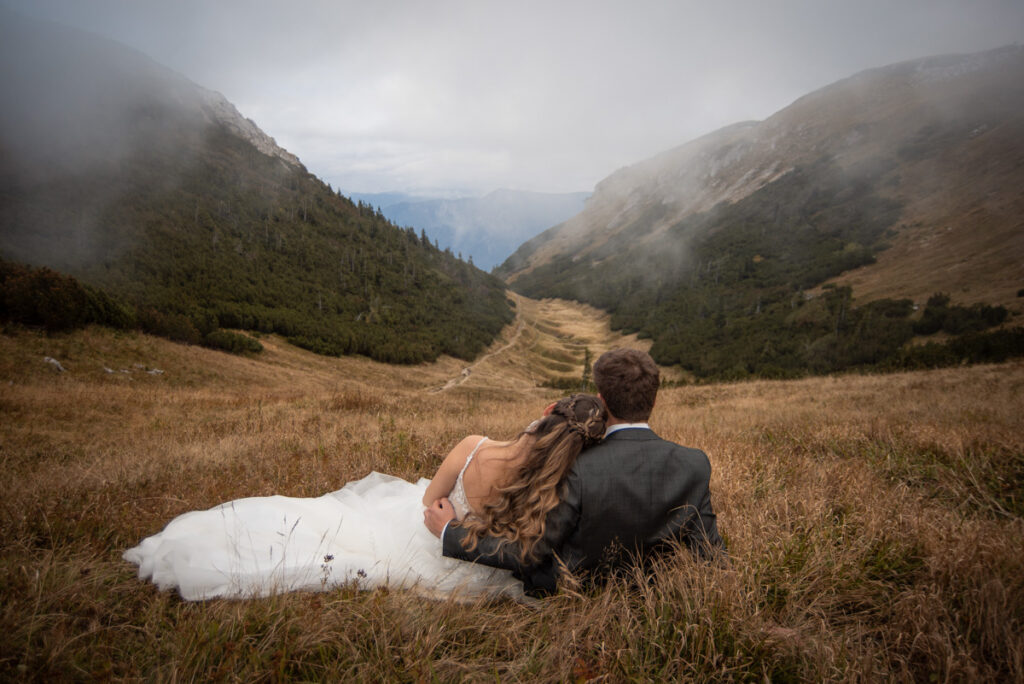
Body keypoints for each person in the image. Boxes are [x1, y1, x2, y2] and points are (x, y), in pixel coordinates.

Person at [122, 394, 607, 601]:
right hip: (471, 565)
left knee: (323, 525)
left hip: (429, 534)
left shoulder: (473, 446)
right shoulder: (556, 490)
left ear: (545, 412)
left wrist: (445, 518)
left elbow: (429, 504)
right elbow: (526, 549)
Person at [426, 348, 723, 597]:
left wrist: (449, 533)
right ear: (654, 401)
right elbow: (710, 555)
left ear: (602, 401)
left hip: (574, 593)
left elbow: (529, 551)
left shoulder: (577, 467)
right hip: (650, 594)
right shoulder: (694, 464)